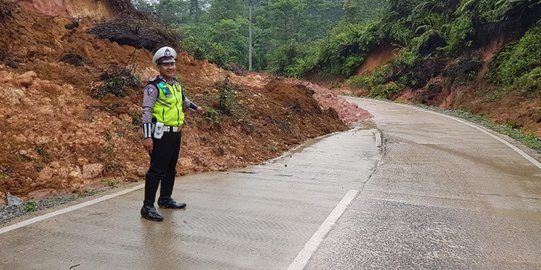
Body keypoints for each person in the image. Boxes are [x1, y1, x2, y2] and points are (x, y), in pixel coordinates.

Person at [140, 46, 203, 222]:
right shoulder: (153, 87)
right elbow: (146, 111)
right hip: (160, 134)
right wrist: (147, 136)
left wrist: (196, 108)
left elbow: (183, 101)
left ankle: (165, 199)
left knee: (170, 169)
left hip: (175, 133)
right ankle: (147, 207)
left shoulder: (176, 85)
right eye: (166, 64)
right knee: (156, 171)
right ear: (158, 67)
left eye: (172, 63)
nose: (170, 67)